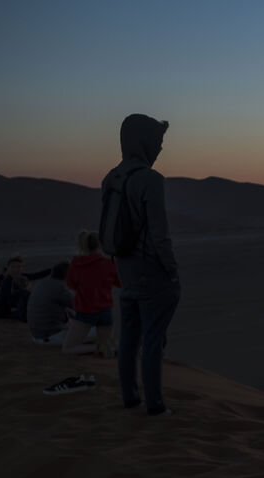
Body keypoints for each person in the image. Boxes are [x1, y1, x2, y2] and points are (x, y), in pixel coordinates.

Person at [103, 113, 180, 415]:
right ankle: (156, 406)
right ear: (144, 142)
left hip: (125, 270)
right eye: (158, 143)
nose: (160, 150)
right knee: (152, 340)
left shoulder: (110, 178)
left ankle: (130, 397)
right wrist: (172, 272)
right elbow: (160, 235)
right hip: (151, 271)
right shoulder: (151, 180)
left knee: (130, 338)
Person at [64, 231, 120, 355]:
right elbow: (120, 283)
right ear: (100, 245)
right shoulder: (109, 264)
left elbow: (71, 284)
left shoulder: (77, 263)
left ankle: (97, 348)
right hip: (105, 310)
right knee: (107, 347)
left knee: (68, 349)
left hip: (85, 310)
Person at [0, 255, 50, 321]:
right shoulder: (6, 281)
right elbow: (7, 300)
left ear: (21, 268)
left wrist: (53, 270)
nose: (15, 269)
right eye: (13, 267)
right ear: (8, 268)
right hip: (1, 312)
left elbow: (36, 275)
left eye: (18, 267)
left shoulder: (22, 277)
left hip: (12, 309)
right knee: (26, 294)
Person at [28, 262, 74, 344]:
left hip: (36, 335)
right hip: (51, 337)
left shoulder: (42, 283)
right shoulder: (60, 287)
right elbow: (81, 307)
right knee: (99, 328)